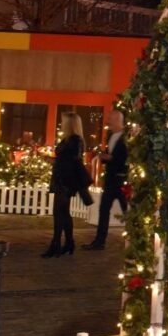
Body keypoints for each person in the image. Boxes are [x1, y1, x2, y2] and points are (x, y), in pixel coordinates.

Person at [42, 112, 94, 258]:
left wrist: (54, 161)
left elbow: (72, 160)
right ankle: (68, 242)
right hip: (62, 178)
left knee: (60, 212)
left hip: (66, 180)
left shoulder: (75, 140)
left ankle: (57, 244)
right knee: (63, 212)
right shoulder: (69, 139)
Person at [83, 110, 128, 250]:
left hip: (122, 181)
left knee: (127, 211)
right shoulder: (111, 136)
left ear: (117, 120)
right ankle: (99, 241)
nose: (108, 121)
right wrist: (105, 158)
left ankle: (135, 239)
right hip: (110, 180)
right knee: (103, 210)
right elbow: (111, 155)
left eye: (110, 119)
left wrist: (110, 158)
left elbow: (125, 158)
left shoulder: (126, 137)